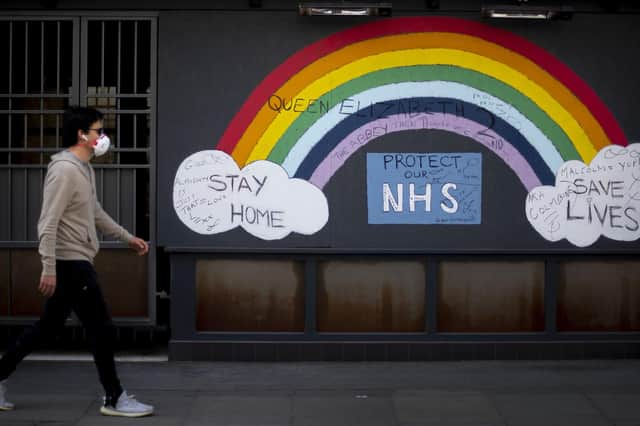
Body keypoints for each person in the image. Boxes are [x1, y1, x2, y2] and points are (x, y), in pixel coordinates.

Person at [0, 106, 154, 418]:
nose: (103, 136)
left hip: (76, 260)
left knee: (48, 327)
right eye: (99, 130)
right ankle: (114, 397)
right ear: (82, 135)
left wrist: (127, 237)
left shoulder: (84, 169)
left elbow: (94, 212)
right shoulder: (65, 170)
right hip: (71, 263)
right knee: (101, 329)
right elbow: (48, 222)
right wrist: (48, 267)